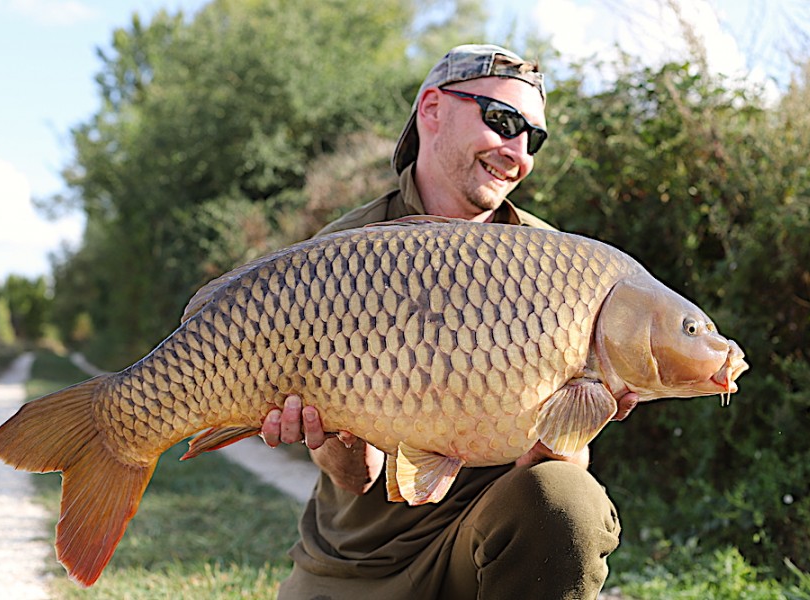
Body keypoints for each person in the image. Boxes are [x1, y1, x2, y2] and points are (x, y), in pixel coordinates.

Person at [261, 44, 639, 599]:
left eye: (532, 137)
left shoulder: (558, 266)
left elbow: (561, 474)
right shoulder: (341, 257)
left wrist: (572, 433)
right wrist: (324, 424)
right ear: (432, 109)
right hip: (359, 565)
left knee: (565, 499)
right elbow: (356, 477)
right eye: (502, 121)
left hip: (484, 551)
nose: (518, 152)